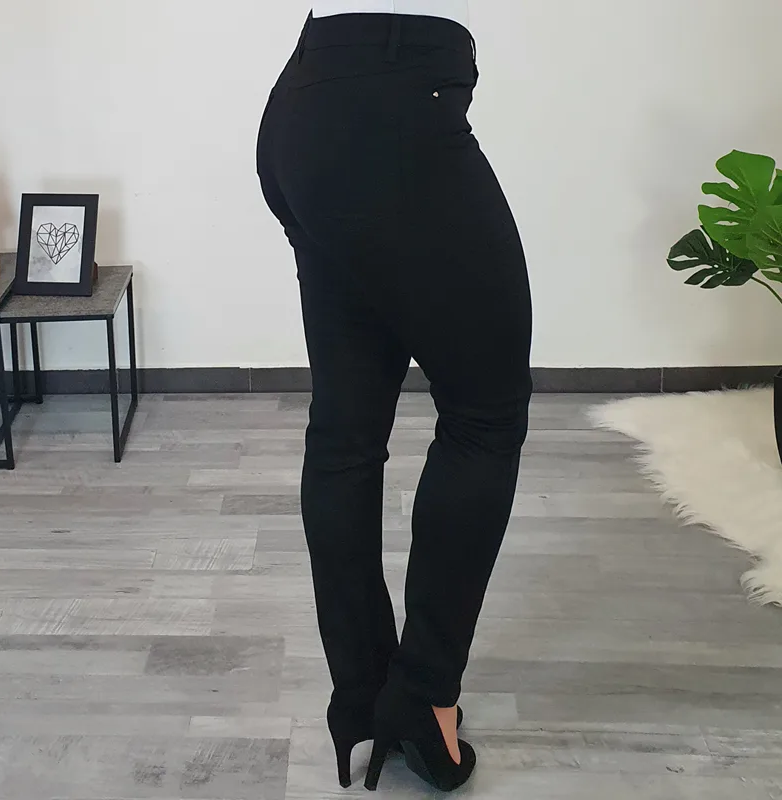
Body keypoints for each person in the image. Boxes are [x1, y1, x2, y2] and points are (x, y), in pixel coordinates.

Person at [256, 1, 532, 791]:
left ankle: (366, 691)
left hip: (306, 103)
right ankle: (423, 696)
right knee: (485, 416)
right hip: (394, 100)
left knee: (344, 433)